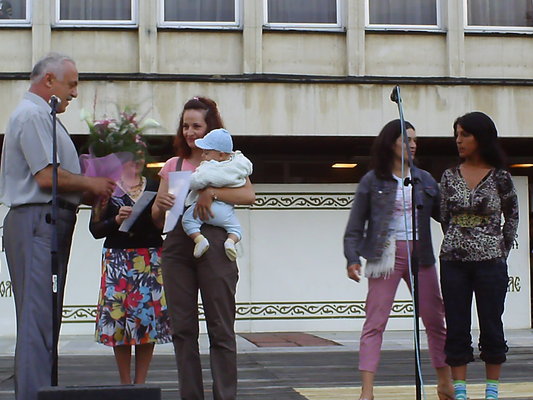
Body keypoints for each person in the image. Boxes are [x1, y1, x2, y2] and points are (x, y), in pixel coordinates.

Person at [0, 53, 115, 400]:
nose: (74, 93)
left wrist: (90, 189)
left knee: (45, 320)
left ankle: (41, 390)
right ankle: (34, 394)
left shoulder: (45, 117)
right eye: (72, 84)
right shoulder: (33, 114)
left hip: (47, 220)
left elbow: (57, 177)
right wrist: (92, 184)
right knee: (37, 322)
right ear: (49, 80)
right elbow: (45, 176)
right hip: (37, 220)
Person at [152, 96, 255, 400]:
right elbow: (157, 219)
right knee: (183, 330)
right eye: (185, 126)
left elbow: (249, 196)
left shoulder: (228, 162)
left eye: (196, 126)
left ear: (211, 128)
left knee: (220, 326)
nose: (190, 132)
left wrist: (212, 192)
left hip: (217, 242)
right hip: (176, 244)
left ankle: (225, 395)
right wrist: (160, 205)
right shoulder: (173, 165)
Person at [343, 119, 454, 400]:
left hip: (421, 253)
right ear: (390, 143)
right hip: (384, 253)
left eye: (415, 140)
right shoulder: (372, 180)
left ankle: (445, 383)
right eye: (406, 140)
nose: (413, 145)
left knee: (434, 319)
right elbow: (355, 225)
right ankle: (367, 391)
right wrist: (352, 257)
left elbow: (445, 217)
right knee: (375, 321)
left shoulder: (424, 179)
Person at [439, 111, 519, 400]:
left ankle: (491, 391)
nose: (459, 140)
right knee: (457, 325)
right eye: (456, 135)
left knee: (492, 325)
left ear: (481, 137)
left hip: (491, 262)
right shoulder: (449, 176)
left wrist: (499, 249)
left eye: (465, 134)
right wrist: (459, 239)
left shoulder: (501, 177)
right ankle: (460, 390)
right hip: (453, 261)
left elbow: (512, 217)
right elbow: (445, 216)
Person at [89, 153, 172, 384]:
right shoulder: (107, 188)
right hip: (117, 258)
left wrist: (164, 211)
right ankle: (125, 382)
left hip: (149, 257)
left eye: (139, 157)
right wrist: (116, 220)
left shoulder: (154, 185)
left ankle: (141, 382)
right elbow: (95, 229)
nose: (134, 162)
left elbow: (164, 224)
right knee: (118, 319)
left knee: (146, 319)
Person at [181, 128, 253, 261]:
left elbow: (195, 182)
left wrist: (190, 182)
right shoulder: (238, 166)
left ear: (220, 155)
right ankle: (230, 242)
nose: (203, 156)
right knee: (236, 229)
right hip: (226, 212)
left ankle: (199, 240)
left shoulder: (211, 167)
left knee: (188, 220)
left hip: (204, 210)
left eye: (206, 153)